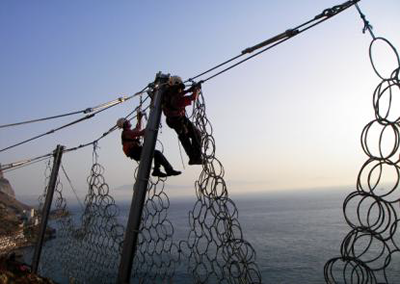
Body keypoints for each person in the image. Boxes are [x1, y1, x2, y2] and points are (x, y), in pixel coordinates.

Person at [117, 112, 181, 177]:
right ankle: (166, 170)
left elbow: (138, 129)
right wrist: (151, 125)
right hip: (135, 152)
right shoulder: (127, 133)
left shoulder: (128, 132)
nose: (129, 121)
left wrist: (139, 119)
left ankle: (157, 171)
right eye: (127, 121)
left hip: (135, 151)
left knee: (156, 154)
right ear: (125, 124)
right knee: (157, 153)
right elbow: (141, 132)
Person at [162, 76, 202, 165]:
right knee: (195, 135)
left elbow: (180, 93)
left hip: (174, 120)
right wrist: (197, 90)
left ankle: (194, 158)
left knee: (186, 137)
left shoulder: (168, 93)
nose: (180, 89)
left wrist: (190, 89)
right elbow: (193, 97)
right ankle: (196, 157)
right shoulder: (176, 99)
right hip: (179, 121)